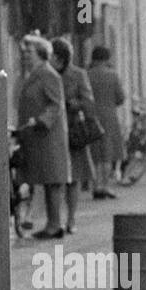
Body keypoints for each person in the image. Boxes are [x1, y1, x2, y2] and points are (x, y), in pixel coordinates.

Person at [16, 34, 71, 239]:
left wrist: (41, 120)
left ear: (41, 53)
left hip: (48, 136)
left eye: (29, 52)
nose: (26, 56)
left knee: (52, 179)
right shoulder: (35, 74)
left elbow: (56, 104)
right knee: (46, 178)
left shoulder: (48, 74)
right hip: (37, 136)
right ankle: (51, 223)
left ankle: (54, 225)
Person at [51, 37, 95, 235]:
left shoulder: (78, 74)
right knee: (55, 176)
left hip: (73, 130)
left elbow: (88, 101)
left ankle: (71, 219)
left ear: (61, 58)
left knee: (74, 177)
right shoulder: (47, 74)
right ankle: (55, 220)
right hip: (53, 130)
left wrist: (72, 104)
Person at [87, 45, 125, 199]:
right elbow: (120, 98)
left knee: (95, 152)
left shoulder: (87, 75)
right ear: (107, 58)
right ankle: (105, 186)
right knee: (108, 153)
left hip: (92, 117)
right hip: (109, 117)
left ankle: (96, 185)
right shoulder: (113, 75)